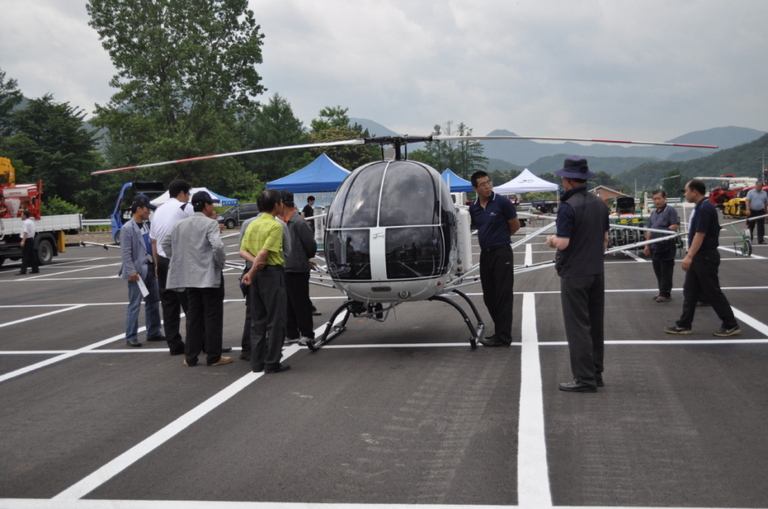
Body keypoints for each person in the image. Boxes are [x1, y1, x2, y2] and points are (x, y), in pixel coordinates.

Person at [546, 157, 609, 393]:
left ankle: (584, 378)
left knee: (578, 326)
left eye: (563, 177)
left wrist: (550, 240)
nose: (562, 181)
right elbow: (605, 241)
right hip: (596, 270)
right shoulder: (600, 203)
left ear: (570, 180)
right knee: (595, 324)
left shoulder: (568, 206)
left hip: (575, 272)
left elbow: (562, 243)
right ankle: (596, 372)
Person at [163, 191, 232, 367]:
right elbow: (217, 246)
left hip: (189, 277)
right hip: (208, 276)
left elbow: (165, 244)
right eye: (212, 205)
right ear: (207, 206)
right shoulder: (210, 224)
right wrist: (220, 263)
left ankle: (191, 356)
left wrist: (178, 259)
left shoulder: (180, 224)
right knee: (213, 316)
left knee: (193, 316)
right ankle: (213, 356)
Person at [665, 179, 740, 337]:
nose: (684, 194)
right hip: (700, 256)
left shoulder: (705, 208)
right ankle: (684, 324)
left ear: (694, 192)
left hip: (705, 255)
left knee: (712, 291)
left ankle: (730, 324)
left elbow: (700, 234)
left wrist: (689, 255)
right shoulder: (701, 207)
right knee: (690, 291)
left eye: (686, 191)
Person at [240, 189, 290, 373]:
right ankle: (272, 362)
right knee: (276, 319)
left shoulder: (251, 224)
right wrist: (256, 267)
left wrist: (253, 267)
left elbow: (242, 251)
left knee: (257, 319)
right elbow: (264, 253)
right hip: (271, 275)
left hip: (256, 275)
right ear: (276, 204)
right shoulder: (276, 226)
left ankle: (257, 362)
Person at [469, 171, 520, 347]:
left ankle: (504, 336)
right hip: (486, 254)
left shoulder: (502, 202)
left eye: (488, 183)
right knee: (489, 296)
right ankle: (500, 331)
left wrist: (501, 239)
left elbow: (515, 225)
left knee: (503, 295)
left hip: (502, 252)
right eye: (482, 184)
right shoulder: (473, 208)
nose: (487, 187)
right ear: (475, 188)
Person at [149, 180, 193, 356]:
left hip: (162, 259)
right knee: (190, 304)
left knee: (169, 306)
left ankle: (174, 344)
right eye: (188, 194)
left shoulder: (158, 211)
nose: (188, 198)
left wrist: (157, 264)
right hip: (179, 261)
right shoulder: (184, 208)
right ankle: (197, 342)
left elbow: (153, 241)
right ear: (182, 193)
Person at [118, 195, 164, 347]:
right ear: (139, 209)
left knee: (153, 302)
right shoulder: (127, 228)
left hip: (150, 268)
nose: (149, 212)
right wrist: (131, 271)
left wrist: (156, 265)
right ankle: (131, 335)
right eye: (147, 209)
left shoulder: (145, 226)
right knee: (135, 304)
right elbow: (126, 253)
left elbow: (151, 246)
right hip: (136, 273)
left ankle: (154, 331)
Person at [280, 189, 317, 346]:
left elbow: (310, 245)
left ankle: (307, 333)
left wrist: (304, 258)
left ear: (282, 204)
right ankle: (292, 332)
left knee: (300, 302)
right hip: (285, 268)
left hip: (297, 268)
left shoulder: (298, 222)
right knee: (288, 303)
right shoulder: (283, 222)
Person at [643, 190, 680, 302]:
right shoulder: (653, 213)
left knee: (666, 270)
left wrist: (663, 232)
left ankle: (665, 293)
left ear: (665, 198)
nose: (657, 201)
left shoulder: (670, 211)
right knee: (658, 270)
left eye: (659, 198)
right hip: (655, 246)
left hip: (666, 245)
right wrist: (647, 246)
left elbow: (675, 225)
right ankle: (661, 291)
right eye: (654, 199)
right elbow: (649, 230)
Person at [17, 210, 39, 275]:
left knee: (25, 256)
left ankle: (23, 271)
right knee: (32, 255)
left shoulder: (25, 223)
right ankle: (35, 269)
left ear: (25, 216)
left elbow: (25, 232)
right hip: (31, 239)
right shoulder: (31, 222)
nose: (21, 216)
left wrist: (23, 241)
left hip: (27, 240)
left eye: (22, 215)